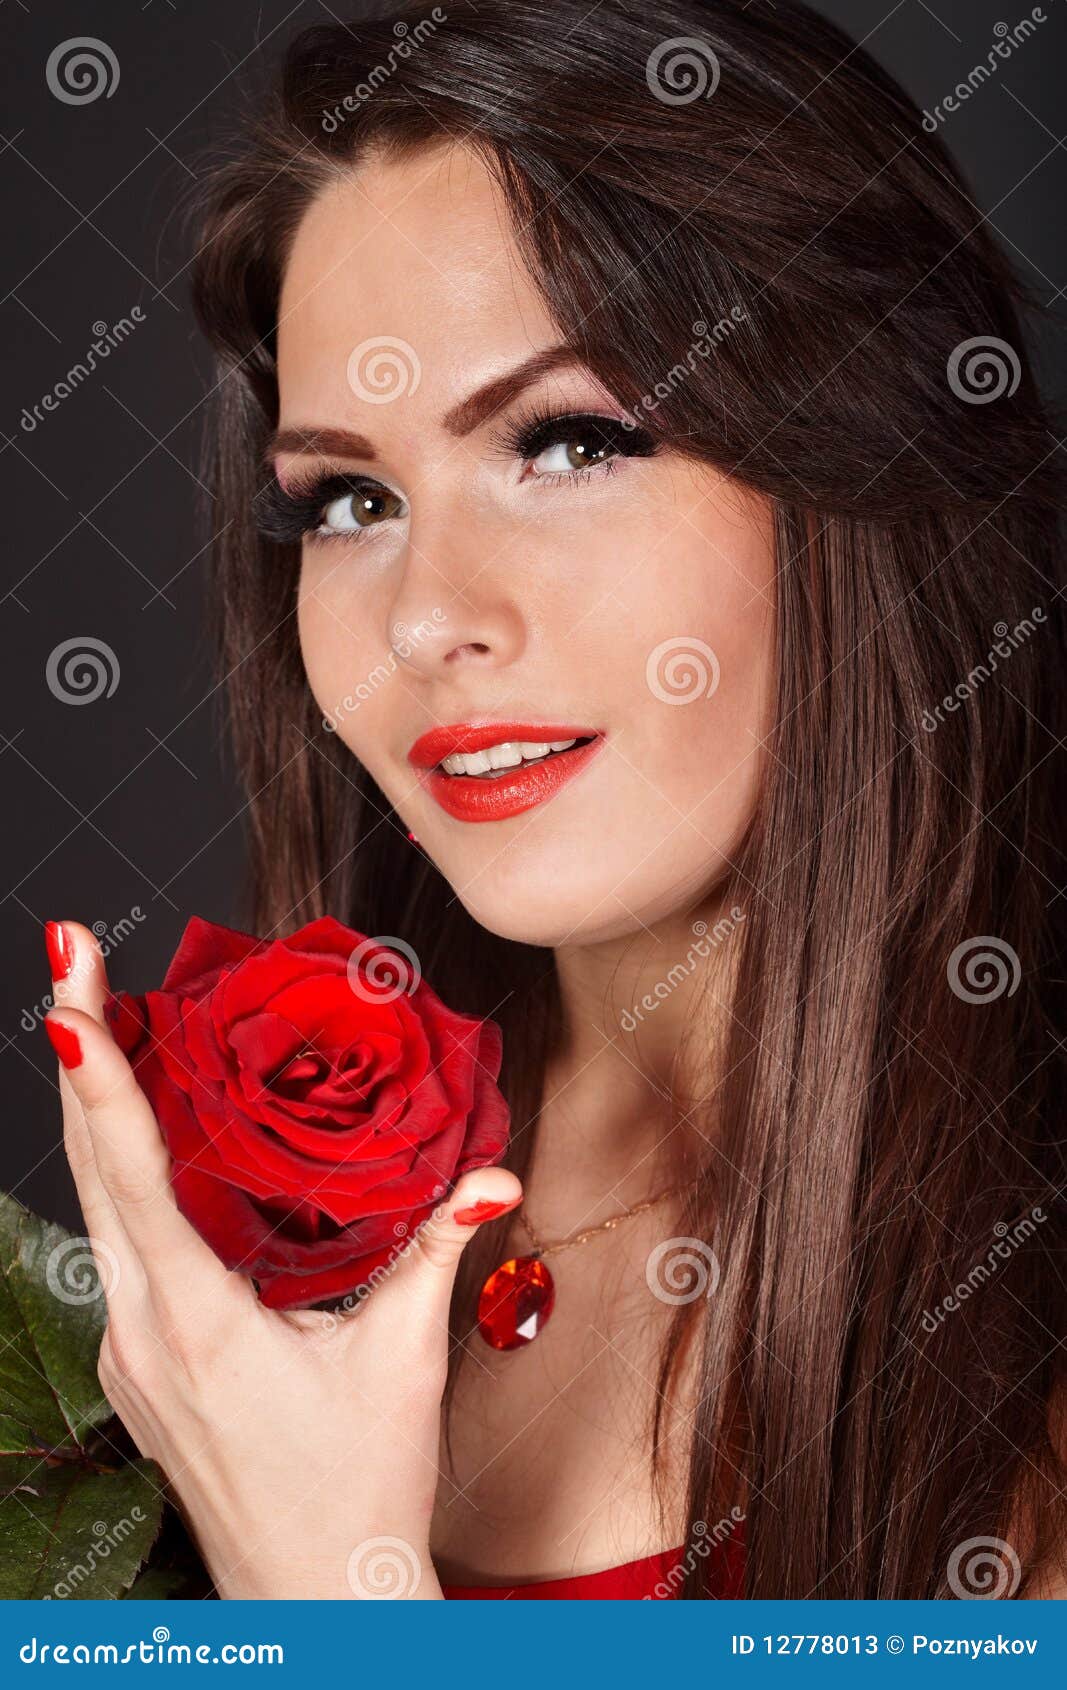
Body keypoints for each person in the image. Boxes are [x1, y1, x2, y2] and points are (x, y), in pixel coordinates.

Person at [44, 0, 1066, 1598]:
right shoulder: (262, 1195)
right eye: (353, 499)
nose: (427, 617)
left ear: (850, 465)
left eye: (570, 443)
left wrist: (335, 1603)